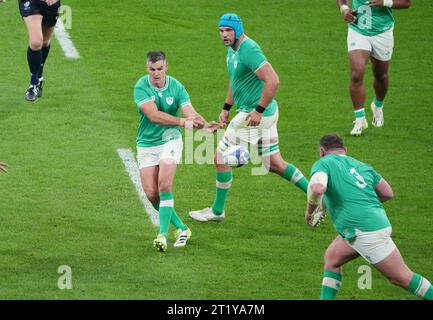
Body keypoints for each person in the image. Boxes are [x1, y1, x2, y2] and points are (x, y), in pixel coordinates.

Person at [189, 13, 314, 222]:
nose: (224, 35)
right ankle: (319, 196)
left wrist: (258, 110)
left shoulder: (249, 49)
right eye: (221, 31)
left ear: (237, 29)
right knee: (274, 163)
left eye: (228, 30)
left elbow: (273, 81)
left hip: (253, 115)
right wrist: (227, 107)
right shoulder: (232, 51)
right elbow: (235, 79)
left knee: (219, 158)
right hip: (264, 113)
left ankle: (217, 211)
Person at [305, 134, 433, 300]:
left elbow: (317, 189)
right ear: (345, 150)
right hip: (372, 223)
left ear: (322, 151)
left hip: (363, 231)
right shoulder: (362, 165)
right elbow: (387, 193)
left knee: (401, 277)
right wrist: (361, 205)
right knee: (332, 258)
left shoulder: (323, 163)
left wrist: (310, 212)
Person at [134, 51, 218, 252]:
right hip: (146, 143)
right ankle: (182, 228)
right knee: (152, 194)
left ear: (166, 68)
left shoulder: (177, 87)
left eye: (160, 69)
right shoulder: (141, 87)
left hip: (170, 139)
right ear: (147, 69)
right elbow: (153, 115)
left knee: (164, 185)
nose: (156, 73)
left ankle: (162, 234)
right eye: (152, 69)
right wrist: (182, 121)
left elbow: (190, 112)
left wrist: (202, 124)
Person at [337, 0, 411, 136]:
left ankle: (378, 106)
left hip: (382, 32)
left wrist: (384, 2)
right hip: (358, 29)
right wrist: (344, 9)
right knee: (356, 74)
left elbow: (406, 3)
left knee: (381, 75)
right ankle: (360, 119)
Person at [19, 0, 61, 102]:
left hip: (50, 4)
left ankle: (39, 76)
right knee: (36, 42)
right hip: (30, 2)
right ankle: (33, 84)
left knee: (45, 42)